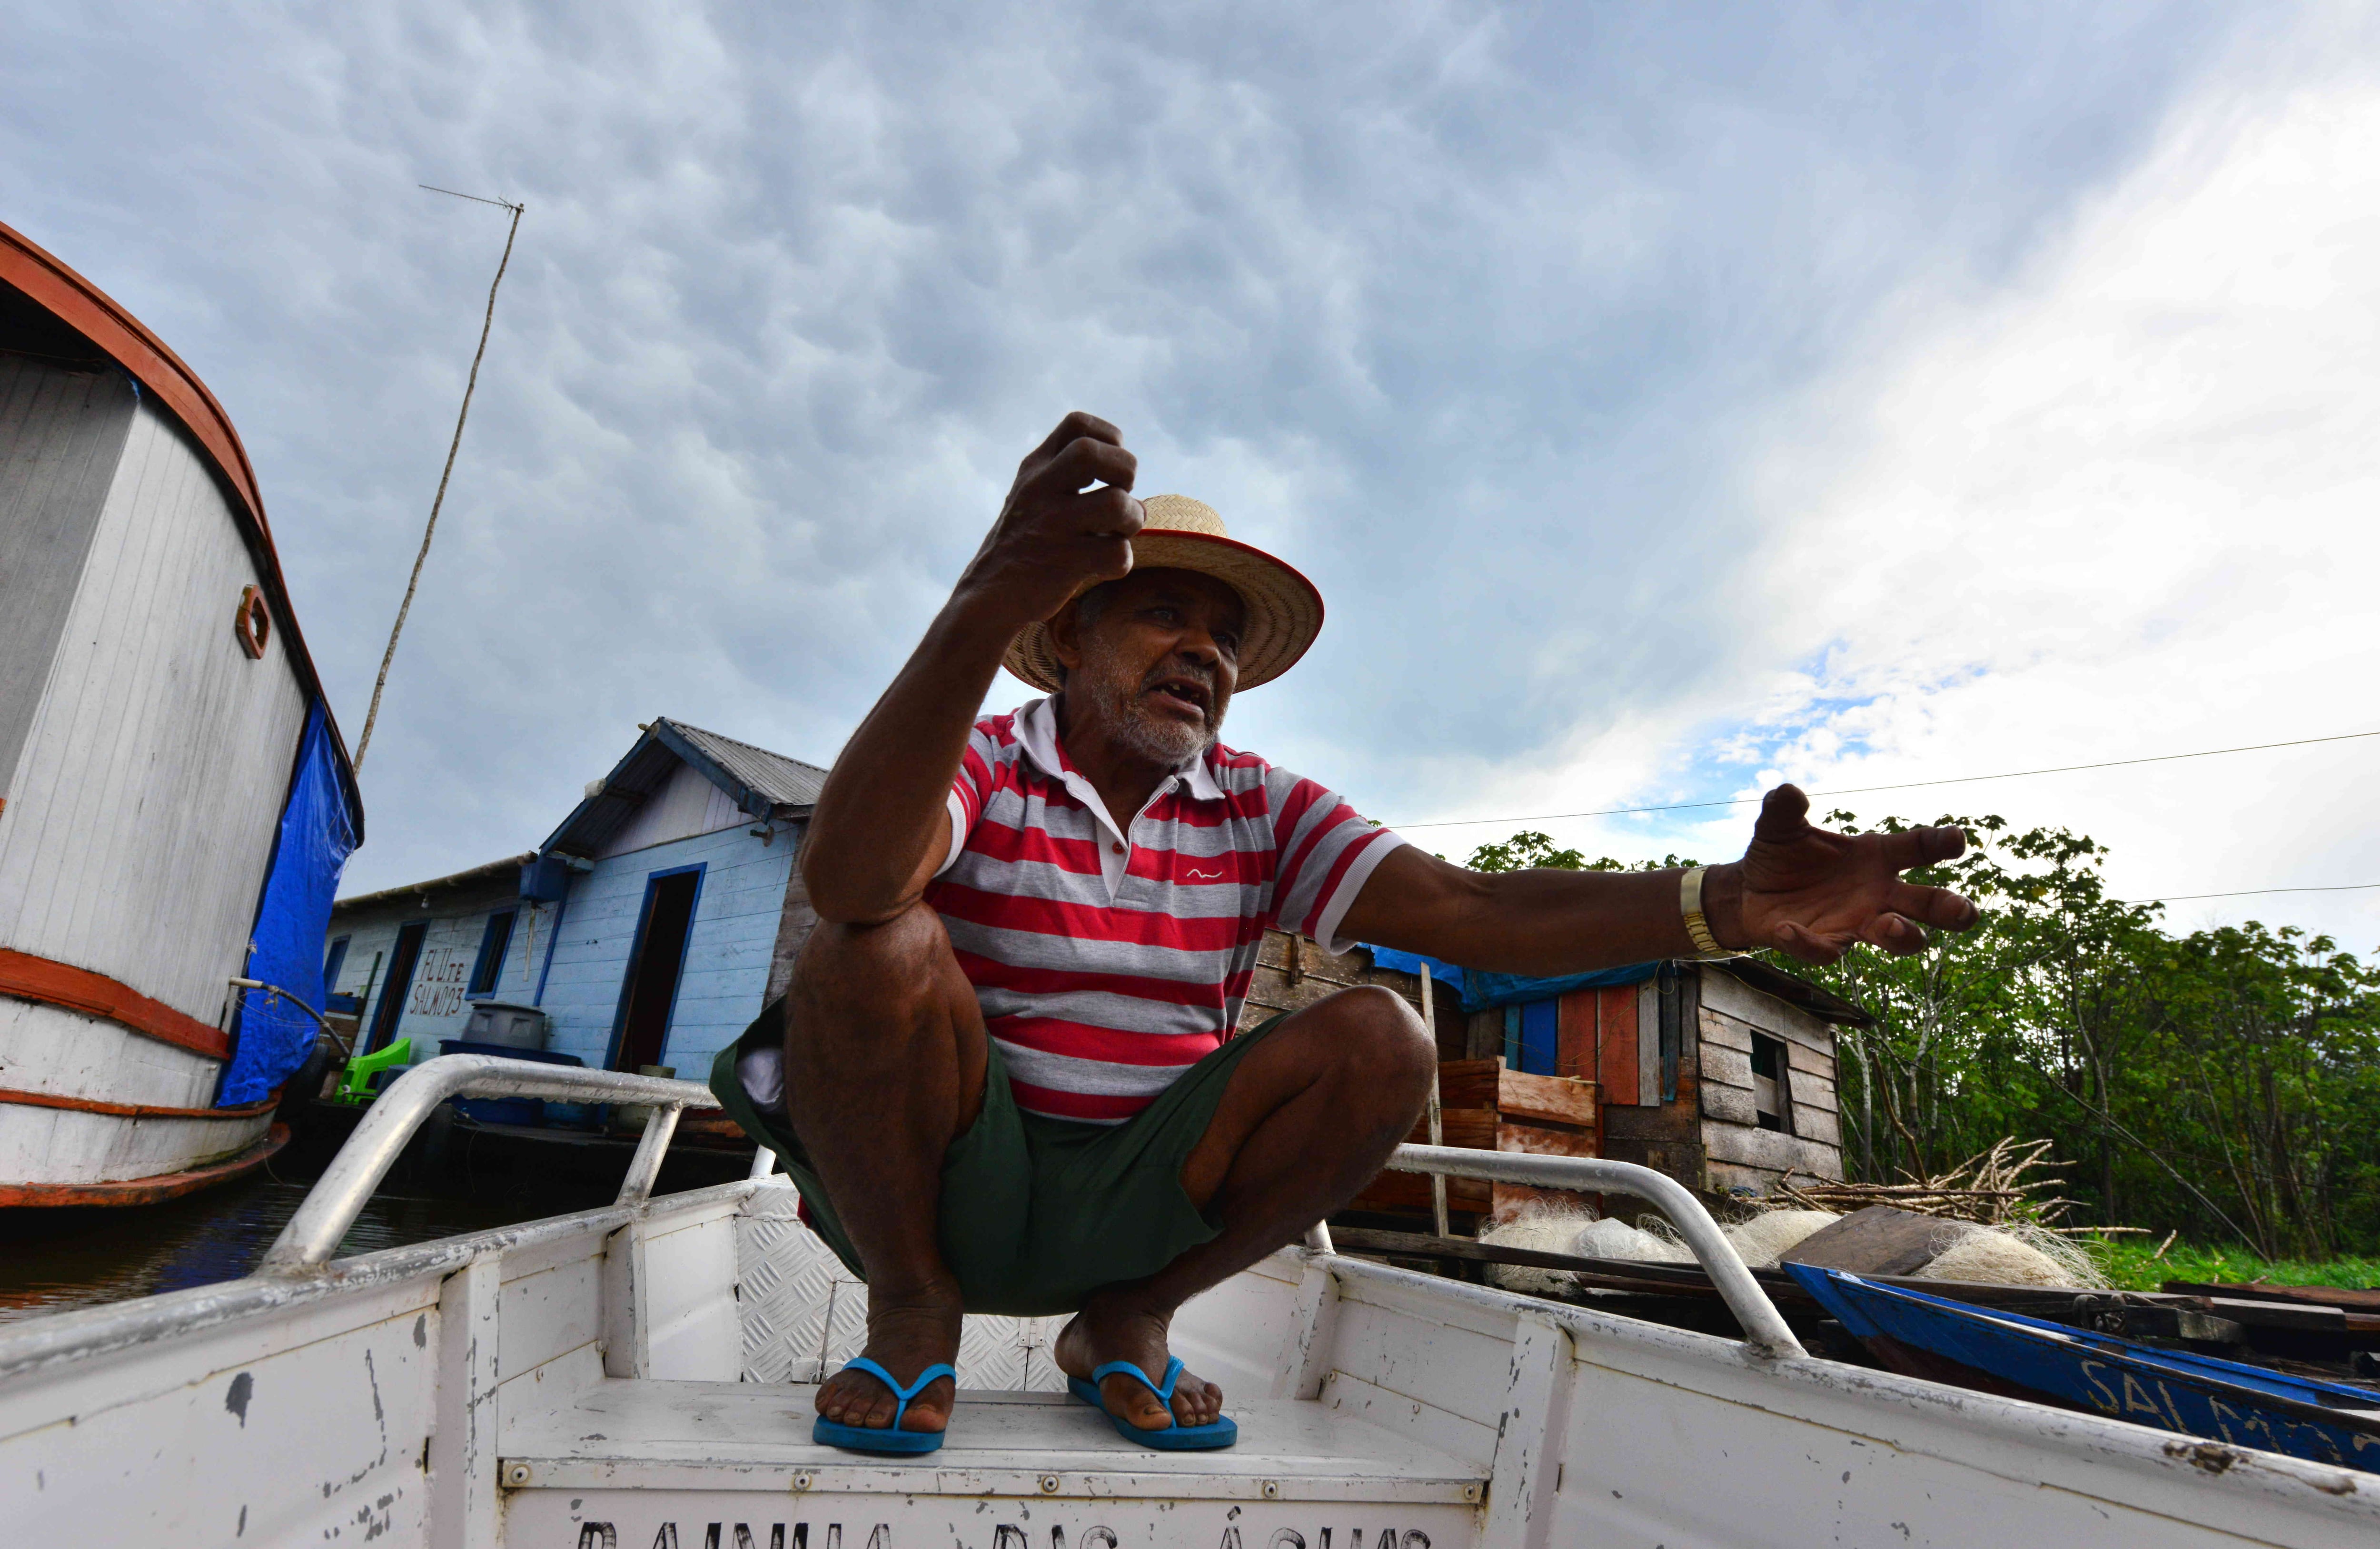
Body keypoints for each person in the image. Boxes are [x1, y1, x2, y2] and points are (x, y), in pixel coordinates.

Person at [710, 412, 1979, 1454]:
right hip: (943, 1189)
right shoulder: (988, 757)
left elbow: (1473, 913)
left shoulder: (1260, 806)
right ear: (1073, 639)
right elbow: (853, 876)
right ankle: (917, 1308)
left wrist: (1721, 908)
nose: (1203, 652)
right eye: (1164, 615)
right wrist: (978, 610)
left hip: (1141, 1199)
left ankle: (1127, 1323)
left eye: (1222, 636)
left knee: (1383, 1036)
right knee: (874, 943)